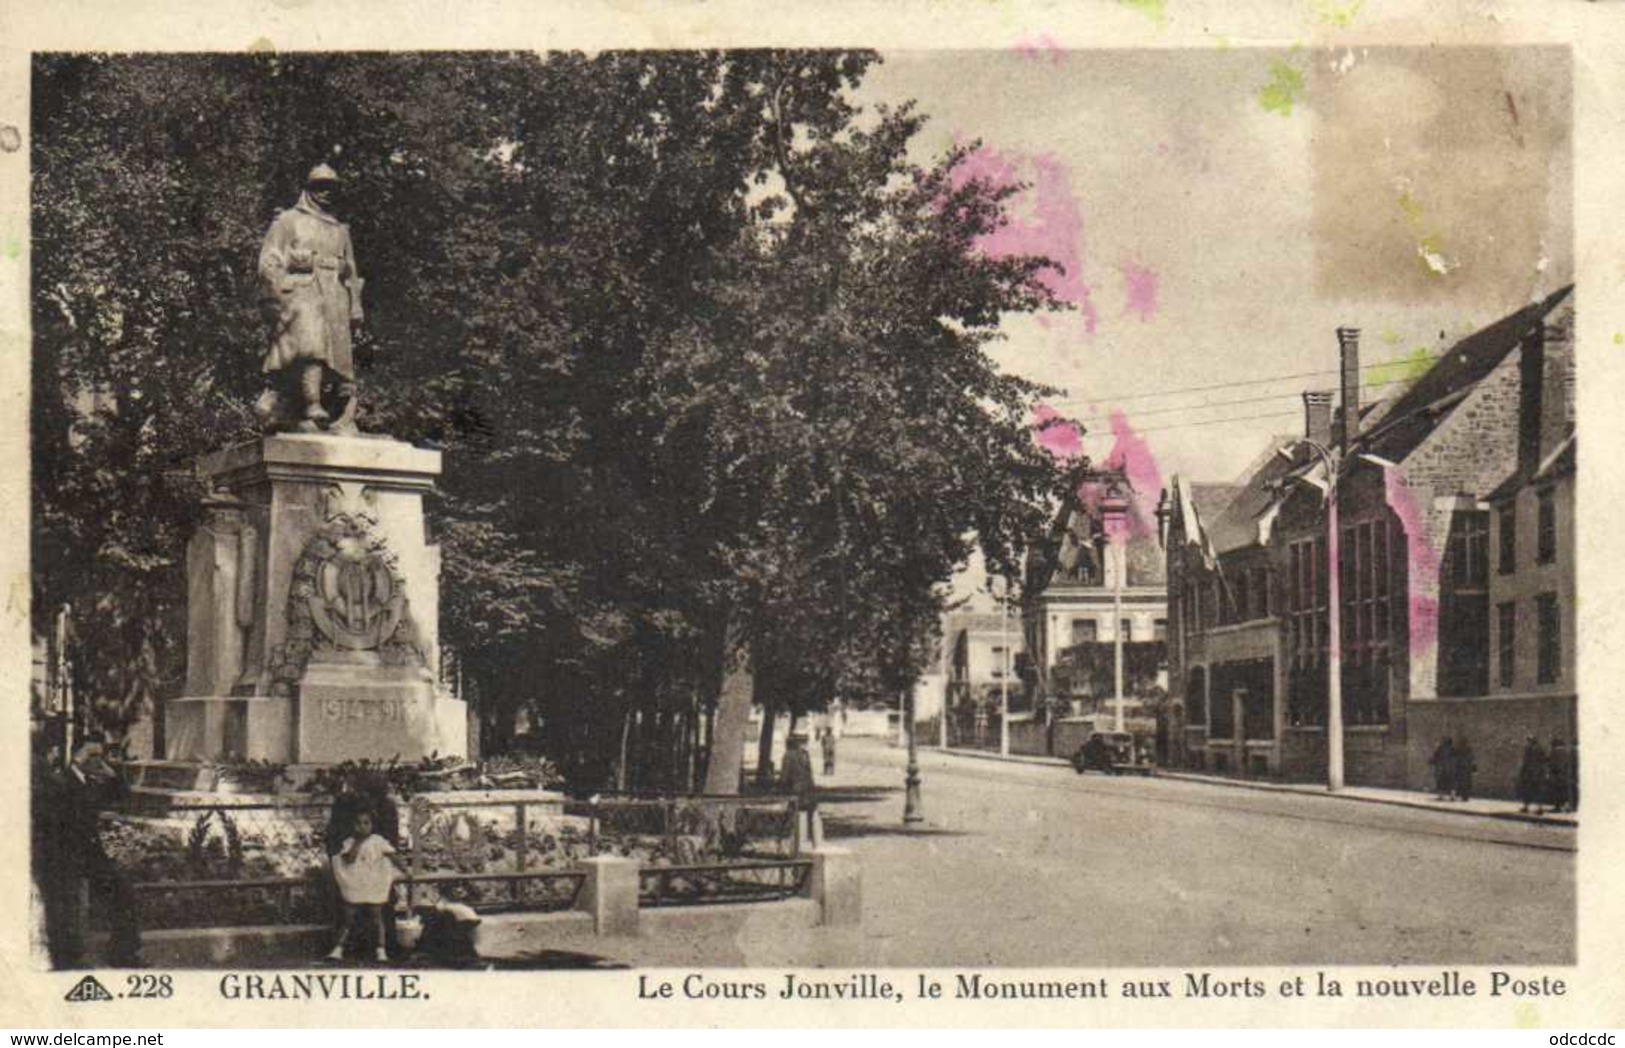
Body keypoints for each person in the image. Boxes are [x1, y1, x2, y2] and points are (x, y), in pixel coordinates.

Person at [257, 163, 366, 434]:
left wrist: (356, 305)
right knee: (310, 346)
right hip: (302, 293)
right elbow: (270, 260)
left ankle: (340, 414)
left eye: (331, 187)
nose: (326, 192)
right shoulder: (288, 221)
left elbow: (351, 271)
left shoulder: (341, 230)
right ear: (308, 189)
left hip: (335, 296)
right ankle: (311, 404)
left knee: (340, 360)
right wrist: (273, 297)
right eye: (320, 186)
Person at [39, 743, 142, 968]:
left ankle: (124, 954)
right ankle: (71, 959)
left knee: (123, 891)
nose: (96, 759)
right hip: (66, 857)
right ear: (76, 756)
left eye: (99, 755)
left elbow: (123, 796)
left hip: (91, 856)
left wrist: (111, 772)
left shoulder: (91, 780)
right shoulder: (62, 780)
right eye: (90, 754)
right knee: (66, 903)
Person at [327, 809, 403, 963]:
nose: (362, 827)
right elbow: (349, 859)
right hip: (356, 882)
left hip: (373, 881)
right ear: (353, 826)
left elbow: (392, 856)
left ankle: (380, 950)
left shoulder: (378, 841)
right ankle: (338, 948)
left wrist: (404, 869)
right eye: (358, 823)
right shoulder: (349, 842)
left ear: (372, 825)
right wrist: (358, 842)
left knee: (376, 916)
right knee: (349, 917)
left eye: (366, 823)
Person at [779, 730, 820, 850]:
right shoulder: (805, 754)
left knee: (797, 819)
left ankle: (799, 846)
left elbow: (784, 777)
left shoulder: (789, 755)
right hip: (807, 791)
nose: (804, 743)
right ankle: (812, 845)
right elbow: (809, 775)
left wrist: (781, 789)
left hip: (797, 792)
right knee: (809, 818)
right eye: (803, 741)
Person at [1516, 735, 1548, 814]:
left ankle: (1526, 807)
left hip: (1530, 774)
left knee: (1527, 791)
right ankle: (1540, 808)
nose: (1527, 743)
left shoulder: (1528, 749)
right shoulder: (1541, 749)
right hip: (1539, 773)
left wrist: (1521, 772)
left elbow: (1525, 762)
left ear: (1530, 741)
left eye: (1528, 741)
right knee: (1538, 791)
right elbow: (1545, 760)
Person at [1546, 737, 1573, 814]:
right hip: (1564, 775)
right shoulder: (1565, 752)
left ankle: (1558, 807)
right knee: (1563, 791)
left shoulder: (1554, 752)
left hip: (1556, 775)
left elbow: (1552, 763)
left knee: (1556, 791)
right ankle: (1565, 806)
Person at [1428, 736, 1456, 801]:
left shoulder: (1440, 749)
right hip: (1451, 769)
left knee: (1441, 782)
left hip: (1442, 768)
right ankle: (1452, 796)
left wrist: (1430, 761)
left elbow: (1435, 757)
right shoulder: (1453, 749)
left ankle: (1441, 796)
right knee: (1451, 783)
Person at [1451, 737, 1477, 803]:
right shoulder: (1468, 750)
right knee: (1466, 783)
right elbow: (1473, 759)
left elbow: (1454, 758)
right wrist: (1474, 769)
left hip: (1460, 769)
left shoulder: (1458, 750)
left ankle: (1459, 795)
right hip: (1466, 769)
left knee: (1458, 783)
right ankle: (1465, 796)